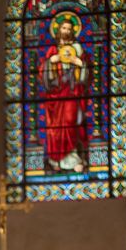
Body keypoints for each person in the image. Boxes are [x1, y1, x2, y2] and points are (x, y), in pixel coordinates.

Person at [39, 18, 88, 173]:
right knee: (54, 128)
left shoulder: (78, 49)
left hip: (71, 92)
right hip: (55, 96)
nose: (66, 31)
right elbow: (42, 74)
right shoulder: (52, 51)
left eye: (69, 28)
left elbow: (86, 73)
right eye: (64, 28)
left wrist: (78, 62)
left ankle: (73, 157)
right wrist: (51, 62)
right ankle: (55, 160)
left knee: (70, 122)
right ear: (58, 30)